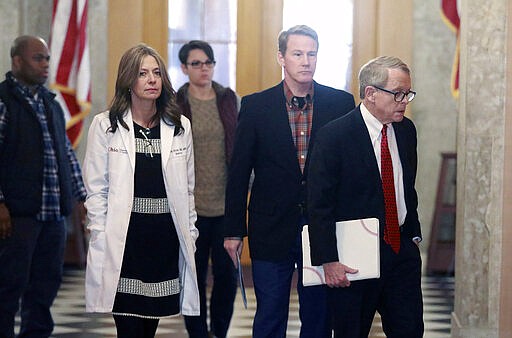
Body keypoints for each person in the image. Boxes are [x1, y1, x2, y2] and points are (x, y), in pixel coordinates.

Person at [223, 25, 355, 337]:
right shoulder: (256, 106)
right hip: (271, 227)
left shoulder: (340, 104)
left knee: (319, 316)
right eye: (297, 54)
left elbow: (350, 173)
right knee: (270, 314)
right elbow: (239, 172)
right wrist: (232, 230)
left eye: (311, 53)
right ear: (281, 57)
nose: (306, 61)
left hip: (322, 228)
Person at [83, 43, 200, 337]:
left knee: (150, 323)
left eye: (157, 73)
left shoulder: (179, 126)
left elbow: (187, 189)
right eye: (143, 73)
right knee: (128, 325)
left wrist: (191, 231)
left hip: (163, 237)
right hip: (125, 240)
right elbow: (95, 188)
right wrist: (99, 230)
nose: (152, 80)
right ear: (128, 80)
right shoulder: (105, 125)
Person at [307, 56, 424, 337]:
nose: (404, 100)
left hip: (401, 252)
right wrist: (329, 260)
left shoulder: (406, 130)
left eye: (407, 93)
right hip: (354, 258)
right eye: (397, 93)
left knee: (409, 330)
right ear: (370, 93)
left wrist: (413, 235)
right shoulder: (334, 137)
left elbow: (406, 186)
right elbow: (319, 204)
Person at [0, 35, 87, 338]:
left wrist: (81, 197)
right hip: (19, 215)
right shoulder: (3, 101)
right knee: (9, 286)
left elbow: (66, 155)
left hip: (54, 217)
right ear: (17, 61)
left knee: (46, 286)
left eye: (48, 58)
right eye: (38, 58)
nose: (46, 64)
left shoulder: (51, 103)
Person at [176, 40, 238, 338]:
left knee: (226, 276)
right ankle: (198, 333)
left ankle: (220, 332)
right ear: (184, 67)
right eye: (197, 63)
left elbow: (237, 147)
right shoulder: (175, 103)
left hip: (225, 205)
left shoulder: (227, 99)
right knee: (193, 277)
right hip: (191, 209)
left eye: (208, 63)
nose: (204, 69)